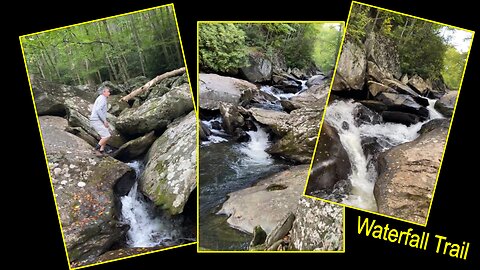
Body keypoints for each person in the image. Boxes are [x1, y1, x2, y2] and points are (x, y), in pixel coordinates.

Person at [90, 86, 111, 156]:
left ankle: (101, 150)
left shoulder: (101, 98)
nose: (109, 93)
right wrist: (104, 121)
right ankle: (95, 150)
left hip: (97, 119)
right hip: (96, 120)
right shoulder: (102, 98)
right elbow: (98, 110)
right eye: (108, 92)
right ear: (104, 92)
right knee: (106, 136)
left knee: (105, 134)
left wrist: (104, 121)